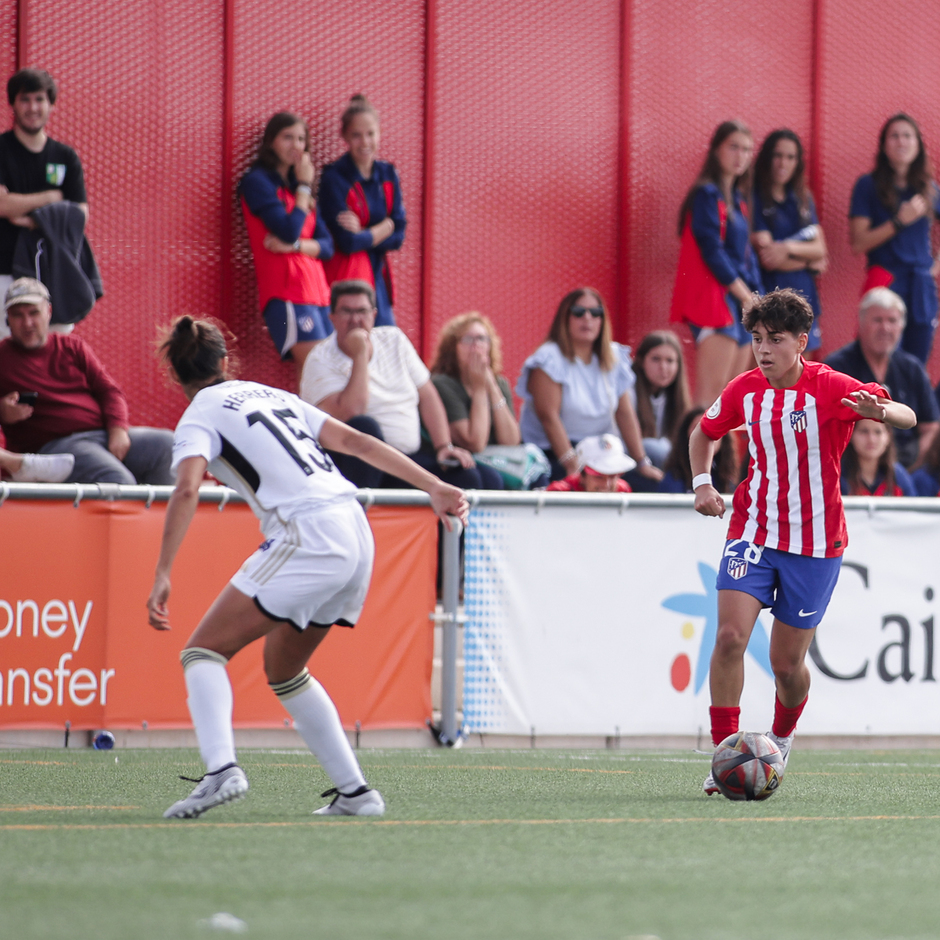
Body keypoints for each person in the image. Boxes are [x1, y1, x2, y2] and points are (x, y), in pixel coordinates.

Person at [147, 316, 468, 819]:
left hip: (308, 532)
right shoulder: (273, 395)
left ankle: (220, 771)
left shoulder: (197, 415)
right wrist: (434, 485)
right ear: (226, 362)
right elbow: (359, 443)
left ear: (175, 375)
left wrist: (164, 570)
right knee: (285, 670)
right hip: (355, 528)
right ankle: (357, 794)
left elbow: (187, 488)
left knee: (202, 652)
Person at [689, 289, 915, 794]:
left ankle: (780, 738)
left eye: (775, 339)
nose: (763, 349)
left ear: (801, 341)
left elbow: (908, 416)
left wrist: (878, 412)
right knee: (728, 639)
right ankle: (724, 758)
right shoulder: (745, 390)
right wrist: (702, 482)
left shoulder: (830, 387)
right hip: (753, 530)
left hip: (815, 544)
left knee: (787, 666)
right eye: (756, 339)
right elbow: (703, 432)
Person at [299, 280, 481, 489]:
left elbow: (428, 395)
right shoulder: (320, 358)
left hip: (406, 458)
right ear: (332, 318)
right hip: (355, 462)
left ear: (374, 315)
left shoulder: (394, 340)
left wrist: (443, 446)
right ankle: (363, 514)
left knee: (469, 477)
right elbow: (352, 412)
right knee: (364, 426)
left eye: (362, 311)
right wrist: (360, 355)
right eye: (346, 312)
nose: (356, 319)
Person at [0, 278, 173, 484]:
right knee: (117, 480)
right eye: (18, 315)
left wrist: (118, 429)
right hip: (54, 449)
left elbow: (110, 391)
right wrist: (2, 412)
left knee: (168, 445)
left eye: (33, 313)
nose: (27, 323)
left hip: (102, 435)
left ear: (49, 311)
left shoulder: (73, 346)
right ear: (8, 319)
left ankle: (161, 517)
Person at [516, 287, 661, 485]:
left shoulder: (614, 356)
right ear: (564, 318)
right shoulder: (549, 358)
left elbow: (625, 414)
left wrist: (642, 462)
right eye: (578, 312)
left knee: (652, 483)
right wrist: (572, 465)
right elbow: (548, 417)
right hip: (556, 454)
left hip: (603, 451)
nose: (587, 318)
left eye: (595, 313)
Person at [670, 120, 763, 407]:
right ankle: (689, 454)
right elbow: (712, 251)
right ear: (716, 151)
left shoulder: (738, 199)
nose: (741, 155)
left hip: (736, 305)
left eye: (747, 149)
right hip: (712, 302)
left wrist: (759, 296)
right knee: (709, 400)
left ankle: (724, 454)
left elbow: (745, 255)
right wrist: (746, 295)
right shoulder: (706, 195)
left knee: (732, 400)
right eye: (733, 147)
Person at [238, 112, 334, 378]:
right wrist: (305, 185)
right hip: (285, 296)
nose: (296, 145)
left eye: (301, 139)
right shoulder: (257, 182)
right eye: (288, 137)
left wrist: (294, 246)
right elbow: (288, 228)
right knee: (319, 371)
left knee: (326, 374)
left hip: (319, 296)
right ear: (271, 142)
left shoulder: (297, 191)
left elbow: (327, 247)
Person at [0, 69, 88, 340]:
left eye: (40, 99)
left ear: (51, 104)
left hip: (55, 273)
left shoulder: (65, 156)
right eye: (25, 99)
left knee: (53, 355)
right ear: (13, 103)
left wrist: (31, 218)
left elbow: (80, 215)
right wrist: (52, 198)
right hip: (5, 272)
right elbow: (2, 207)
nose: (33, 107)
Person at [849, 113, 940, 364]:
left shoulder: (928, 188)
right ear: (884, 145)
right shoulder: (867, 185)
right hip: (885, 281)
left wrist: (935, 266)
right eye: (895, 136)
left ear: (918, 145)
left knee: (916, 365)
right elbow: (858, 243)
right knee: (880, 363)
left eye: (908, 136)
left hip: (921, 285)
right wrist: (899, 221)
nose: (901, 142)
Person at [825, 288, 938, 470]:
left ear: (901, 326)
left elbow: (930, 428)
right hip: (849, 473)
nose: (885, 328)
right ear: (860, 324)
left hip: (907, 470)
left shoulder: (913, 368)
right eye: (877, 320)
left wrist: (906, 474)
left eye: (892, 321)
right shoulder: (837, 367)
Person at [317, 96, 405, 327]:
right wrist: (382, 229)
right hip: (347, 277)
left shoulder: (388, 174)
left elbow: (398, 236)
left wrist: (364, 232)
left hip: (378, 276)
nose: (364, 141)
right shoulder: (334, 178)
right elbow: (346, 242)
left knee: (384, 343)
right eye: (357, 135)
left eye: (370, 134)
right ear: (345, 137)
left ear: (379, 133)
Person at [751, 129, 828, 355]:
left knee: (804, 373)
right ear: (767, 158)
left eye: (790, 157)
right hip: (770, 299)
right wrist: (807, 262)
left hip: (805, 298)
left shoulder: (803, 197)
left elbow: (820, 249)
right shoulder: (754, 197)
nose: (783, 163)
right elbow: (770, 259)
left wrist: (786, 248)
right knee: (768, 373)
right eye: (778, 155)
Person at [429, 312, 520, 489]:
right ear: (453, 347)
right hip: (463, 459)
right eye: (468, 340)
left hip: (498, 458)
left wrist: (491, 386)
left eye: (481, 339)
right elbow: (474, 443)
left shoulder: (500, 383)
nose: (476, 345)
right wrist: (479, 390)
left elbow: (511, 441)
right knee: (490, 480)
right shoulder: (442, 383)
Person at [631, 330, 691, 469]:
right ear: (640, 360)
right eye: (656, 359)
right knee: (654, 449)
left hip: (662, 464)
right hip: (633, 462)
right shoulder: (628, 391)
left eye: (670, 361)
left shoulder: (676, 398)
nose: (663, 367)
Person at [657, 407, 736, 494]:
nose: (706, 435)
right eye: (698, 429)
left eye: (714, 428)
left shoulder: (725, 479)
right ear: (686, 436)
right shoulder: (673, 479)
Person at [840, 419, 914, 496]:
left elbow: (913, 506)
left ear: (888, 436)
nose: (871, 440)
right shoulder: (838, 475)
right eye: (864, 431)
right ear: (850, 434)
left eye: (878, 432)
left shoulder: (898, 475)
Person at [545, 434, 633, 493]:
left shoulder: (623, 490)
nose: (606, 484)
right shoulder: (559, 492)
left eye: (612, 476)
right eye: (599, 476)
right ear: (582, 475)